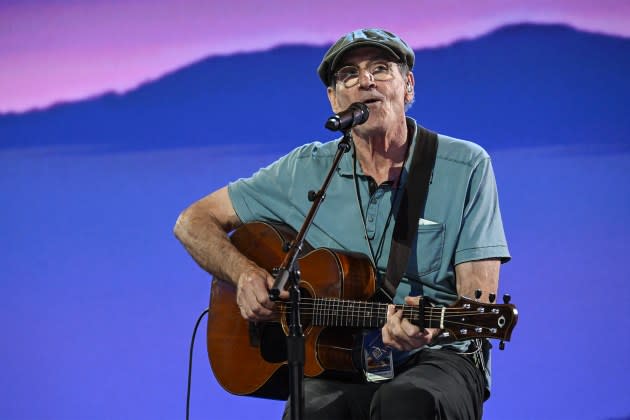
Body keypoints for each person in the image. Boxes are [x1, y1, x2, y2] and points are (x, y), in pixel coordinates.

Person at [174, 28, 510, 420]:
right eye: (349, 74)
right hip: (340, 360)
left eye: (381, 69)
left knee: (404, 403)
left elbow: (476, 306)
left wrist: (429, 328)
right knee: (310, 413)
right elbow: (192, 222)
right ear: (334, 99)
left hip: (439, 358)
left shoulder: (465, 165)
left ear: (408, 87)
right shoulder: (307, 169)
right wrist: (245, 274)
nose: (365, 80)